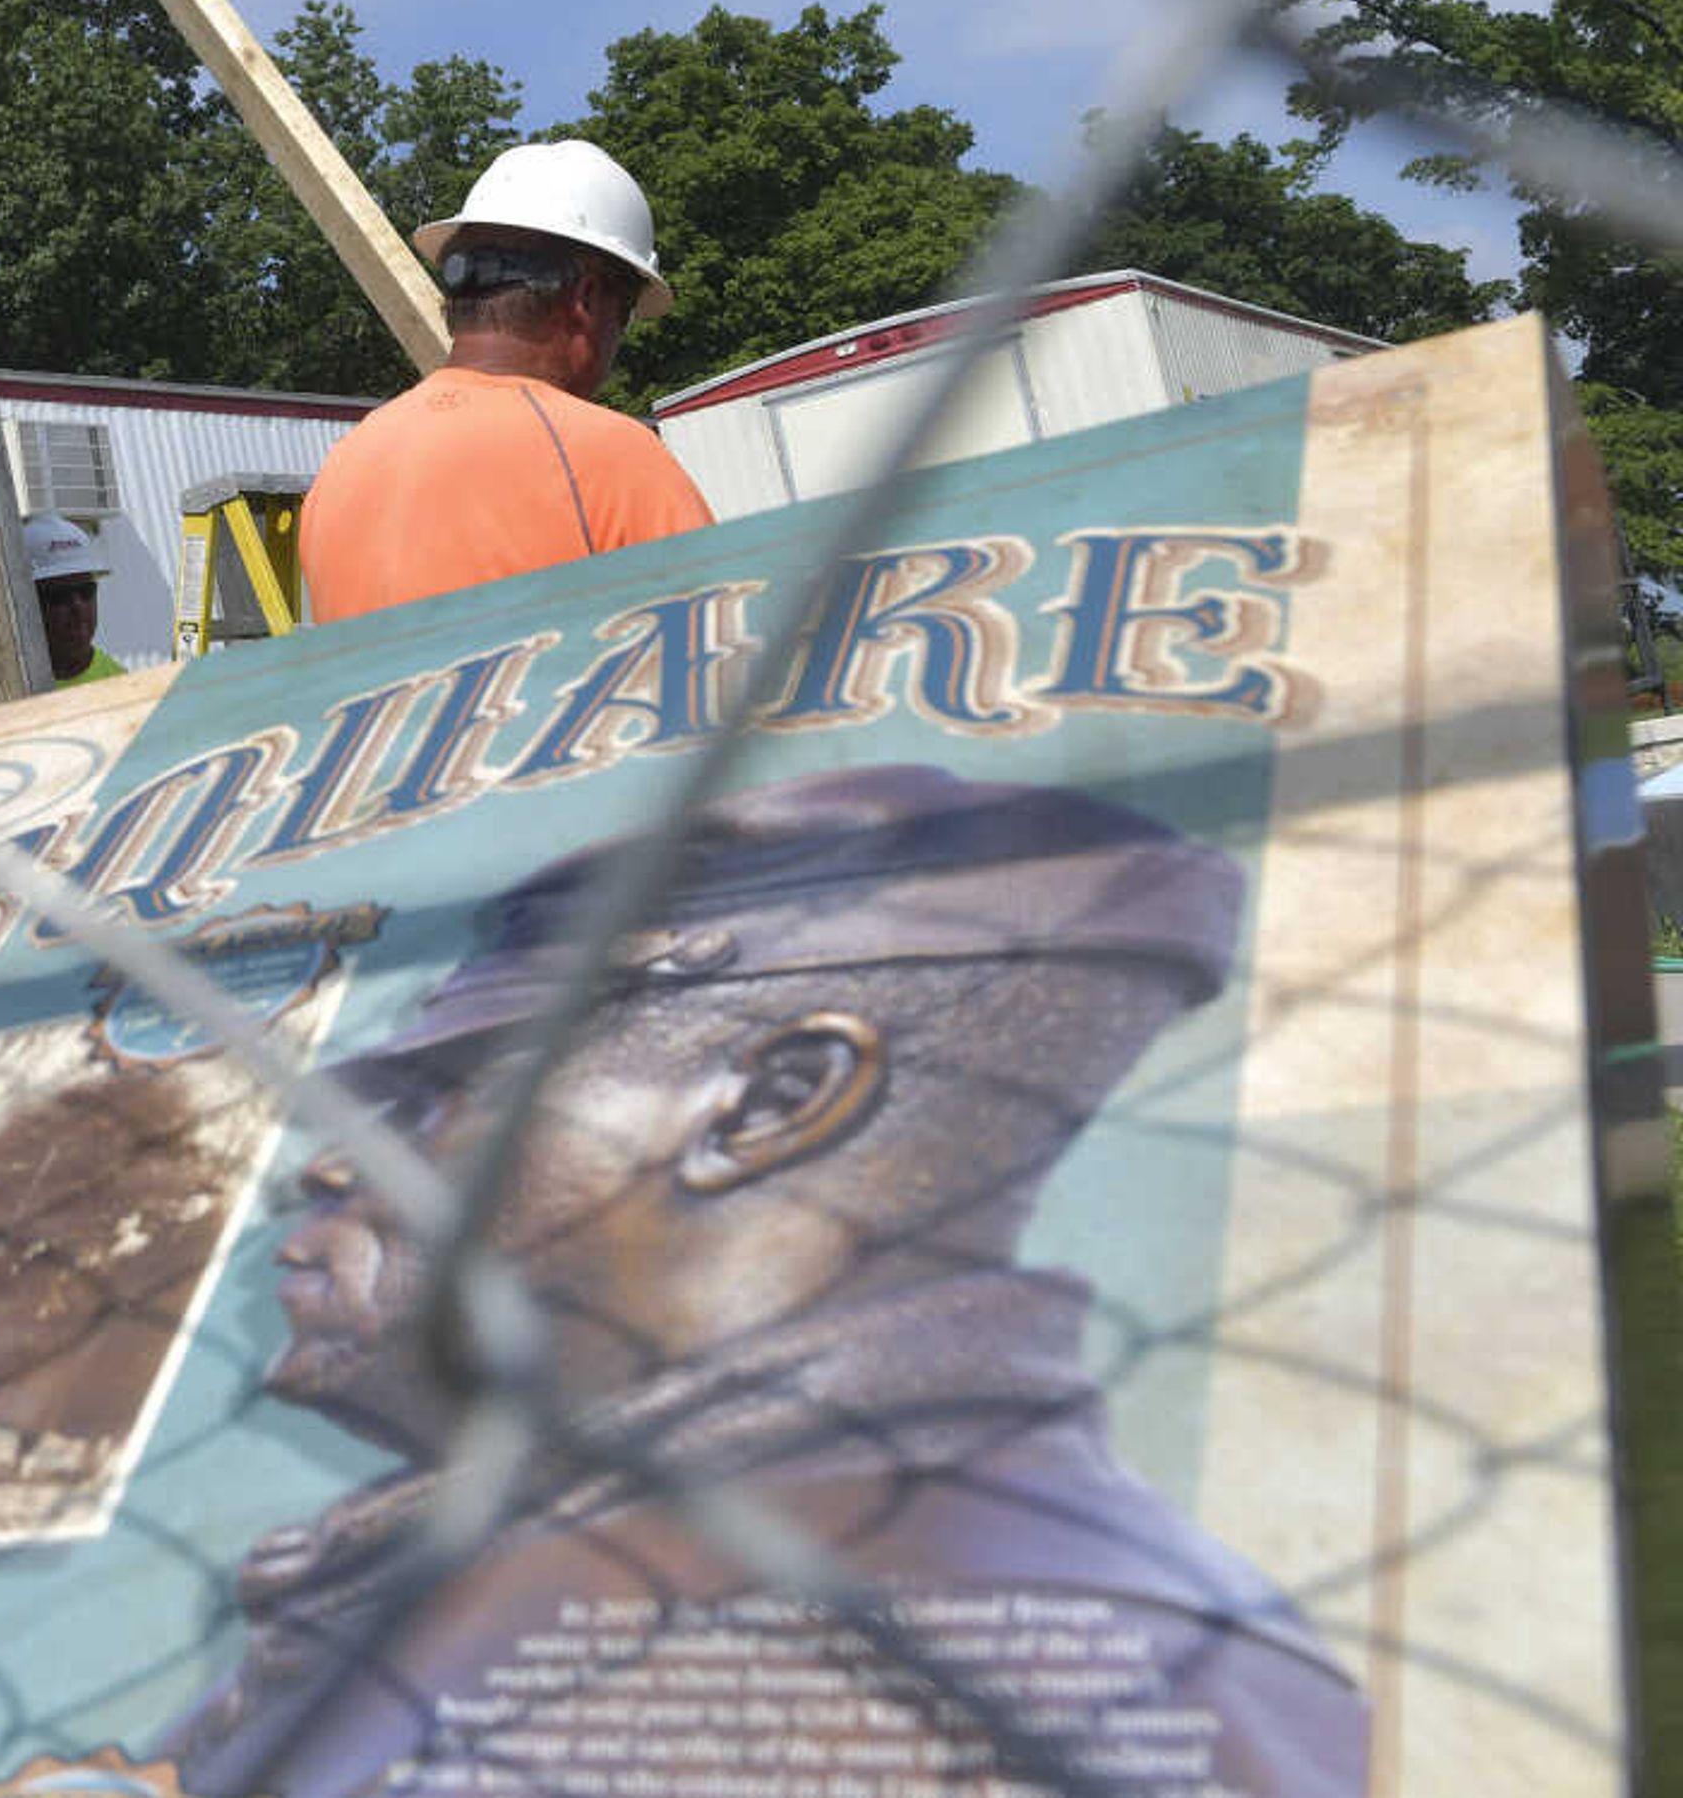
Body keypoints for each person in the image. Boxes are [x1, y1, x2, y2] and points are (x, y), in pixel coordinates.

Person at [158, 765, 1366, 1798]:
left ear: (774, 1102)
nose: (330, 1162)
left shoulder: (750, 1647)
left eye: (454, 1089)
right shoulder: (605, 1559)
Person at [299, 139, 713, 621]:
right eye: (626, 315)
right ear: (588, 298)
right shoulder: (611, 459)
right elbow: (722, 660)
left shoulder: (344, 467)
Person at [22, 512, 129, 686]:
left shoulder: (119, 684)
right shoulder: (7, 685)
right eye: (59, 596)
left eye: (86, 591)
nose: (77, 607)